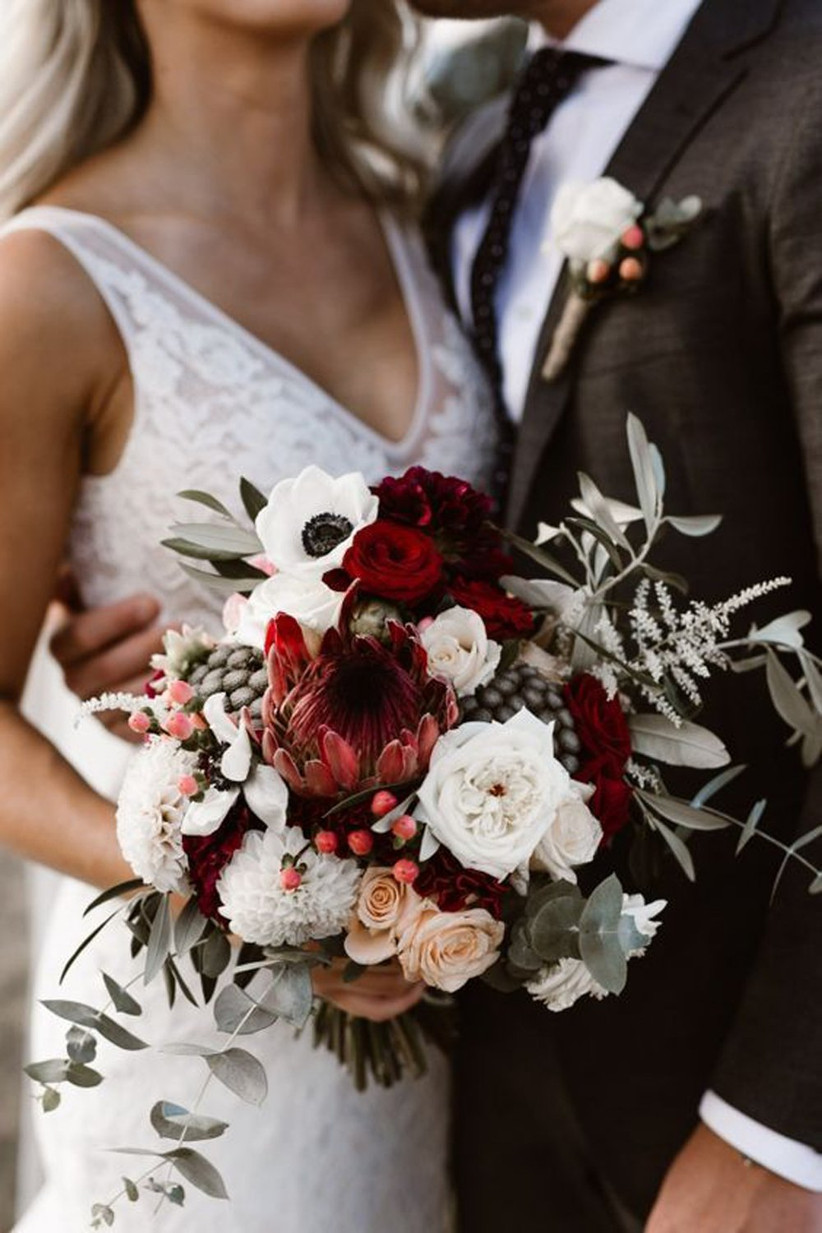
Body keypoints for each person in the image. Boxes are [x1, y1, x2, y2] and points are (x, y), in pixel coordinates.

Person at [0, 2, 497, 1230]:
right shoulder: (46, 282)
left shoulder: (435, 214)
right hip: (191, 1050)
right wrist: (243, 884)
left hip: (436, 1032)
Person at [415, 0, 822, 1229]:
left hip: (739, 1107)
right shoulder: (470, 146)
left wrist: (782, 1138)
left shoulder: (801, 87)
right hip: (496, 1104)